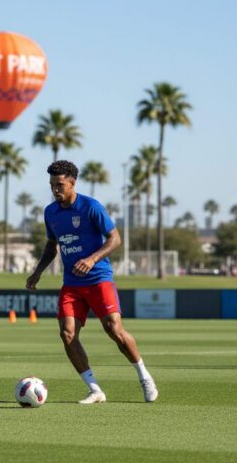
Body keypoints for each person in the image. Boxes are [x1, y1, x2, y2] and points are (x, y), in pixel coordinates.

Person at [26, 160, 158, 404]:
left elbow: (115, 239)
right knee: (67, 334)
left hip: (99, 279)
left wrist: (92, 258)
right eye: (52, 185)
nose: (55, 190)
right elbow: (50, 246)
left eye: (60, 185)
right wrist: (37, 272)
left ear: (73, 183)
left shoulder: (91, 207)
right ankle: (95, 389)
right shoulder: (50, 212)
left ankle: (145, 377)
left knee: (113, 329)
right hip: (72, 284)